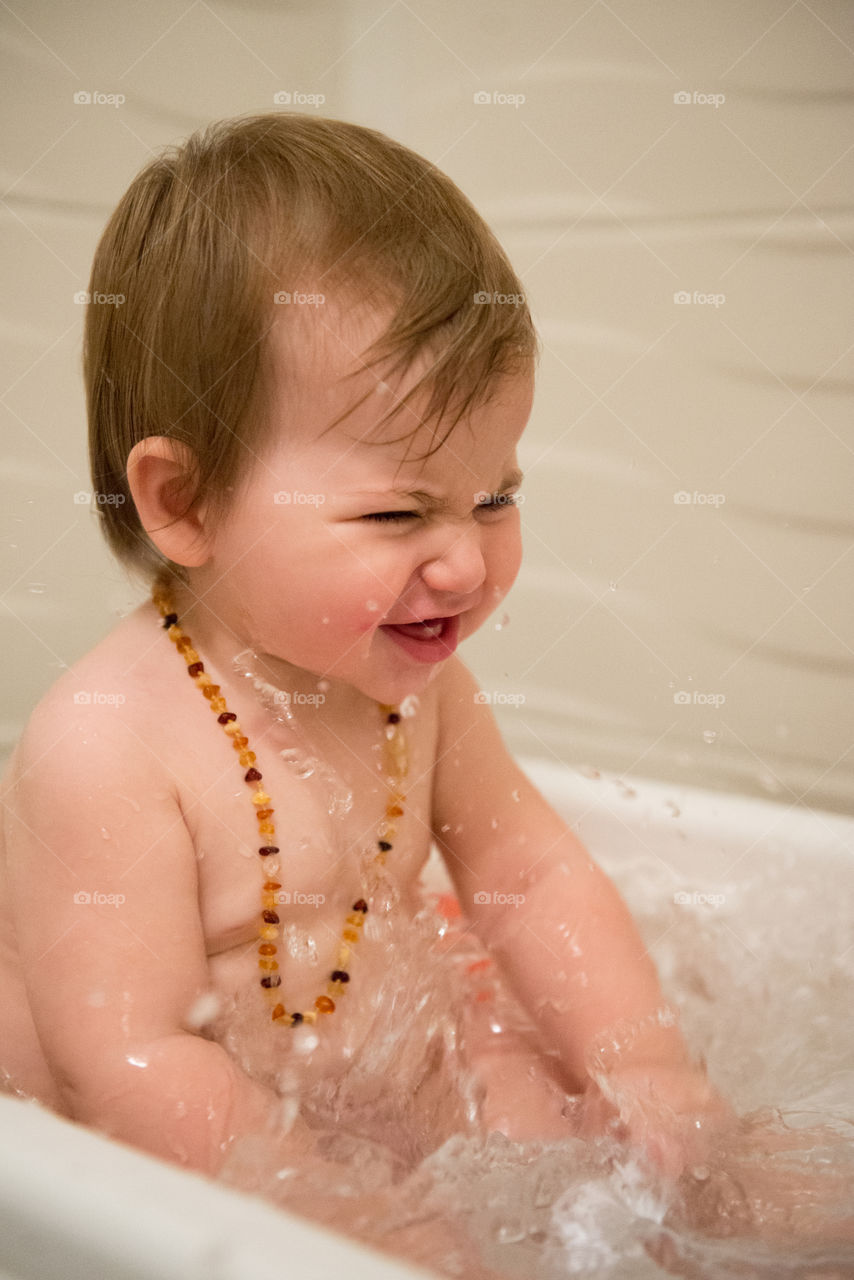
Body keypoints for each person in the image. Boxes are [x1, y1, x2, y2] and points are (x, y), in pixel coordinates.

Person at [0, 112, 731, 1184]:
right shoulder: (105, 745)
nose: (466, 564)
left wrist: (649, 1068)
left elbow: (528, 876)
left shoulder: (421, 691)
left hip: (389, 1068)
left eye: (495, 497)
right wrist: (344, 1217)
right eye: (397, 514)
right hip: (177, 1161)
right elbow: (131, 1063)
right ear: (187, 502)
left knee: (629, 1148)